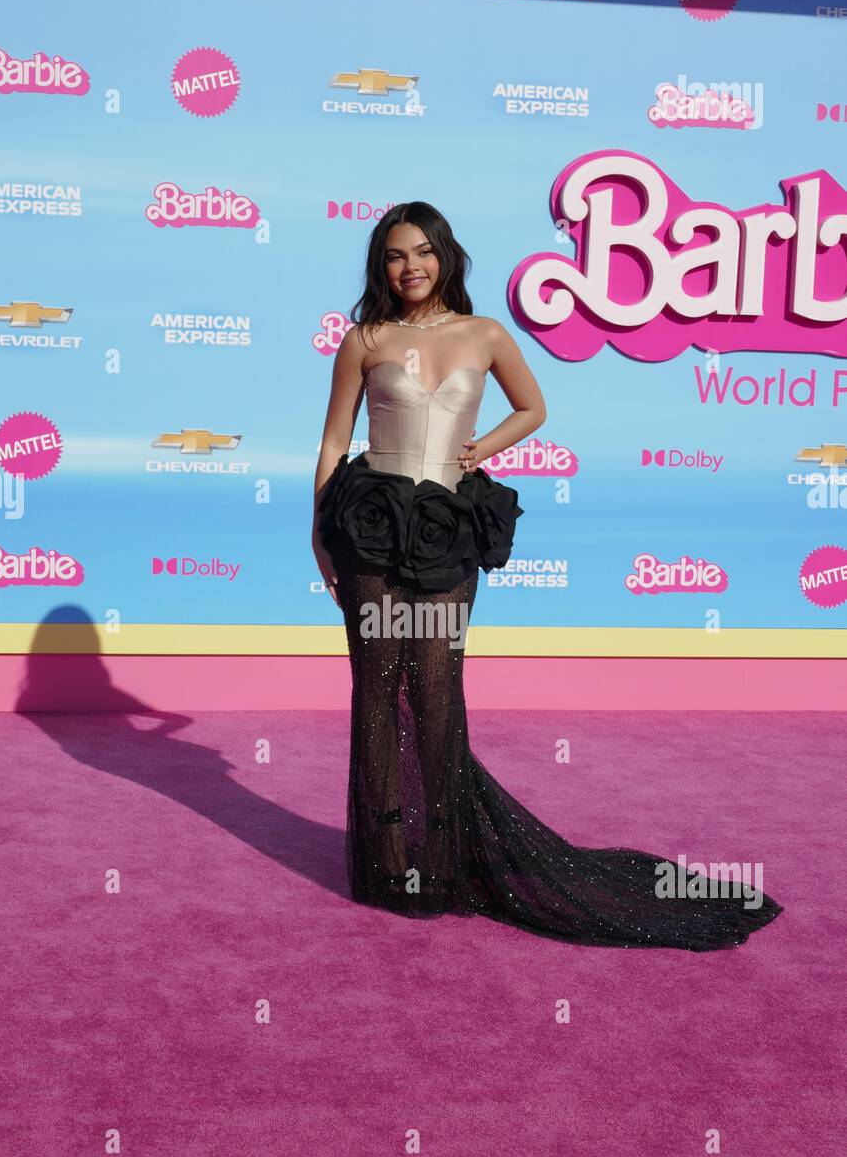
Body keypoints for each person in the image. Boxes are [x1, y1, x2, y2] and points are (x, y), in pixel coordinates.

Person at [311, 201, 782, 951]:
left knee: (435, 691)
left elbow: (533, 407)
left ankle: (440, 857)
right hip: (367, 526)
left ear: (447, 256)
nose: (412, 268)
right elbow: (335, 439)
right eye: (397, 255)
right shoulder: (365, 339)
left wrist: (477, 450)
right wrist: (318, 535)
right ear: (381, 265)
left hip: (444, 532)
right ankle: (384, 860)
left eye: (424, 253)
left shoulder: (485, 333)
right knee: (376, 689)